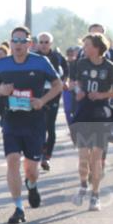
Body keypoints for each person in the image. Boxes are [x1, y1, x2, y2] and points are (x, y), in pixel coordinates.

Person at [0, 26, 63, 224]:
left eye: (23, 41)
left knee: (31, 169)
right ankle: (18, 207)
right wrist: (1, 90)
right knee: (13, 161)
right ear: (10, 43)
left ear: (30, 44)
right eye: (15, 41)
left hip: (35, 121)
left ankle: (32, 184)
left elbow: (58, 85)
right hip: (11, 120)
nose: (18, 44)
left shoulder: (40, 62)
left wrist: (42, 101)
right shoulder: (2, 64)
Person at [70, 33, 113, 211]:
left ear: (96, 48)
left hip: (101, 114)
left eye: (87, 45)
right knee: (83, 157)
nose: (84, 49)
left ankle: (95, 195)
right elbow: (73, 82)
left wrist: (103, 95)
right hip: (83, 113)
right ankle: (82, 185)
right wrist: (78, 90)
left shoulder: (109, 67)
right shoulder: (80, 63)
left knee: (96, 157)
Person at [33, 32, 68, 171]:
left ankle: (47, 156)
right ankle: (39, 153)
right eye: (41, 42)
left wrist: (63, 82)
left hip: (53, 94)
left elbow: (66, 72)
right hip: (38, 94)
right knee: (38, 125)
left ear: (51, 43)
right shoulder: (33, 57)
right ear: (37, 43)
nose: (43, 44)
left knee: (50, 125)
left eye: (46, 42)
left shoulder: (57, 57)